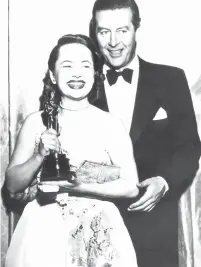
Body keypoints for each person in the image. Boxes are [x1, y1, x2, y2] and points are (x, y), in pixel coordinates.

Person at [5, 34, 140, 267]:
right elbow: (12, 185)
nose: (77, 73)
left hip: (100, 232)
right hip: (44, 232)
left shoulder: (111, 124)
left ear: (95, 74)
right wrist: (39, 155)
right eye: (67, 66)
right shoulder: (36, 122)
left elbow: (130, 187)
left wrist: (79, 186)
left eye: (86, 66)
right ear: (52, 76)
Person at [89, 0, 201, 267]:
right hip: (94, 228)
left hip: (155, 228)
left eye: (123, 30)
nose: (114, 42)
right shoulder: (82, 84)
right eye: (105, 32)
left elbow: (189, 147)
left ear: (137, 29)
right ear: (94, 33)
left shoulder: (171, 79)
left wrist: (164, 181)